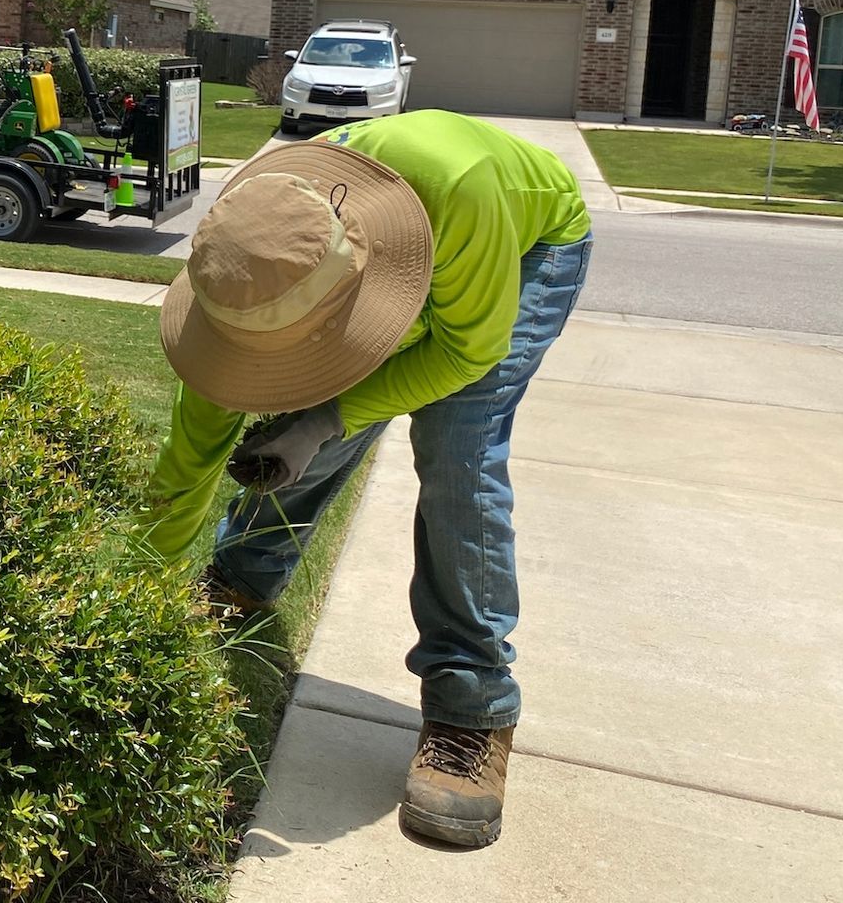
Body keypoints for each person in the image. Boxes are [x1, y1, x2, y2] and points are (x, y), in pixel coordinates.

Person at [141, 110, 591, 849]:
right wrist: (143, 593)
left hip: (524, 244)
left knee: (457, 451)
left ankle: (471, 709)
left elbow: (462, 355)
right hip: (388, 245)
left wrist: (323, 421)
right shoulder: (253, 248)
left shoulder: (463, 190)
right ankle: (242, 575)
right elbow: (190, 457)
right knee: (304, 409)